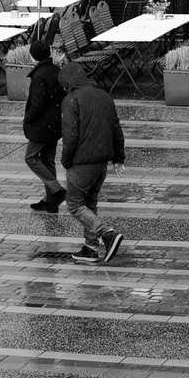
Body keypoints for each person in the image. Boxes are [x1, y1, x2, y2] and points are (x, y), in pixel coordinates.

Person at [58, 62, 124, 264]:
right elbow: (115, 127)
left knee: (75, 205)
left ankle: (107, 233)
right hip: (102, 162)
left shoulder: (71, 100)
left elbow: (70, 135)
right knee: (90, 204)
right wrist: (118, 157)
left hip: (82, 162)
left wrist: (66, 161)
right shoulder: (103, 95)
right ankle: (90, 248)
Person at [22, 41, 66, 212]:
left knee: (31, 157)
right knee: (47, 160)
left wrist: (28, 119)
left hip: (42, 125)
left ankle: (57, 190)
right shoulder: (55, 70)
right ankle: (51, 201)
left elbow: (38, 105)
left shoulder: (39, 75)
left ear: (34, 56)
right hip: (55, 123)